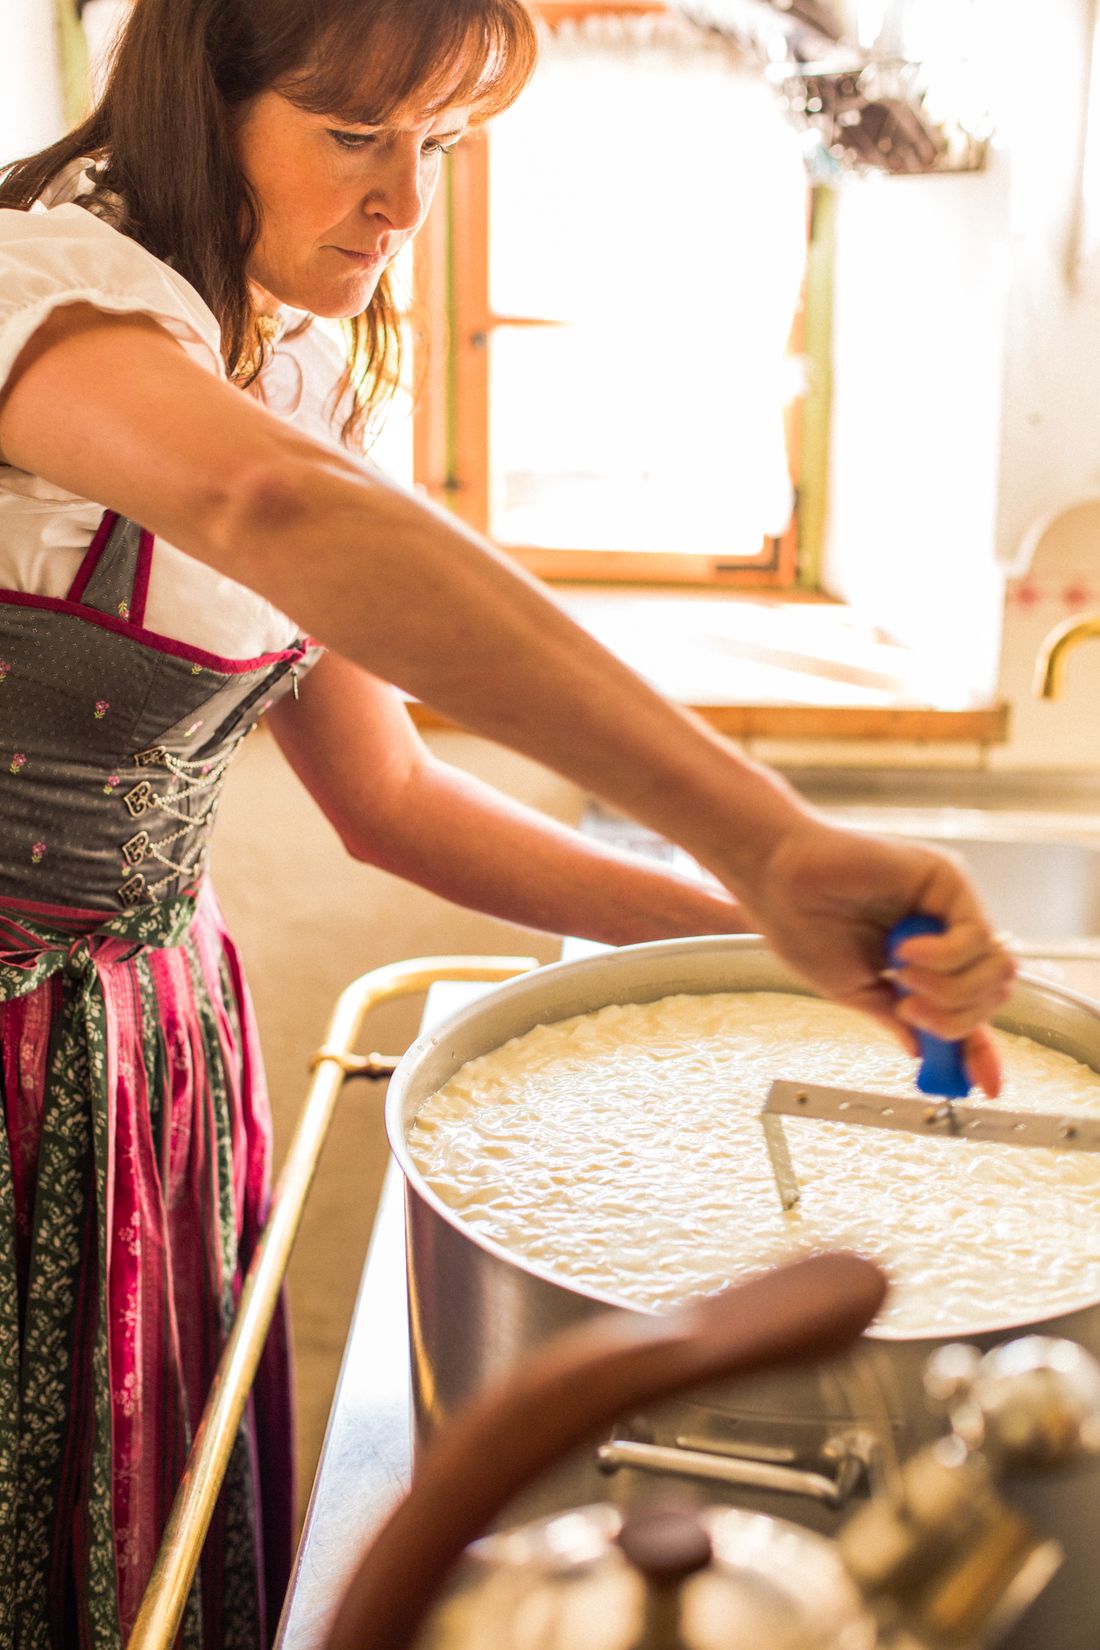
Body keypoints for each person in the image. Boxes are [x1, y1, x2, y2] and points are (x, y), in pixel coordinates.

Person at [0, 0, 1012, 1643]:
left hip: (155, 1052)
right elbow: (274, 508)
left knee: (137, 1532)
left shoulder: (297, 371)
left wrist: (759, 929)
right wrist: (763, 832)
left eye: (443, 145)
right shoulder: (41, 288)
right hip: (3, 1068)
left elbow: (393, 801)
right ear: (203, 96)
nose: (409, 202)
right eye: (356, 138)